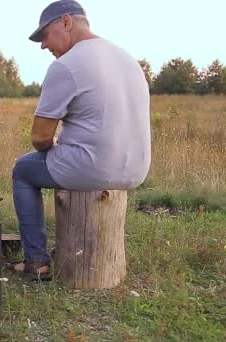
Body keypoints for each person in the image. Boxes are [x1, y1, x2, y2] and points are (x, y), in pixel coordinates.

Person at [9, 0, 151, 280]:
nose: (42, 45)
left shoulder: (67, 65)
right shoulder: (127, 58)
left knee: (23, 170)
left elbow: (39, 137)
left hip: (93, 169)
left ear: (66, 22)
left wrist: (56, 147)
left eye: (44, 35)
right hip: (136, 168)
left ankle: (36, 261)